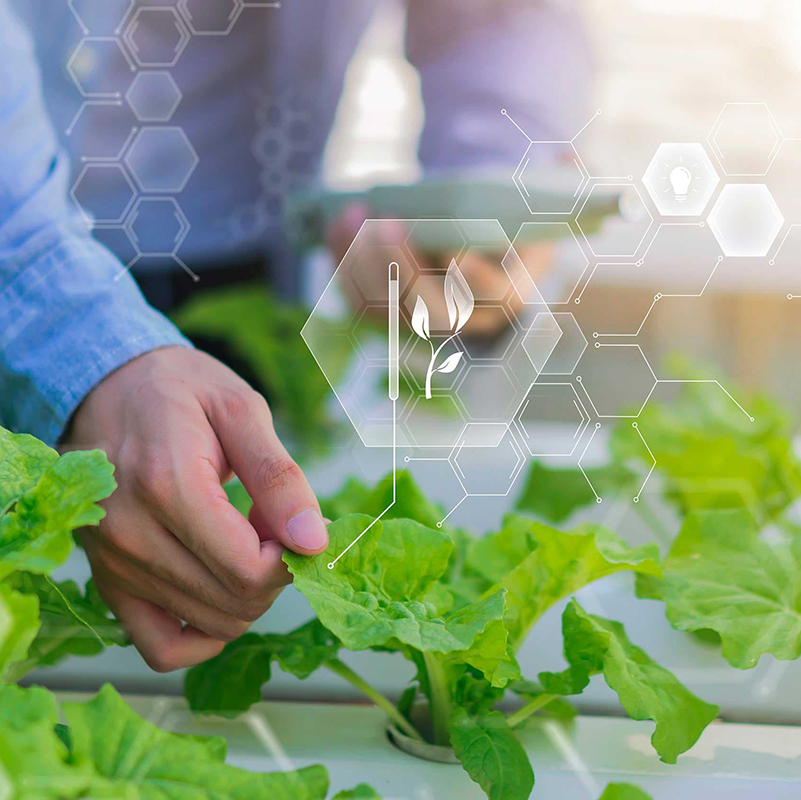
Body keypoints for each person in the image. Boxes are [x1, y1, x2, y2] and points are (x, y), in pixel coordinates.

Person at [0, 0, 592, 672]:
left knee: (189, 584)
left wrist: (491, 199)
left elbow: (498, 20)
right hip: (25, 257)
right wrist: (76, 344)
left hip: (241, 265)